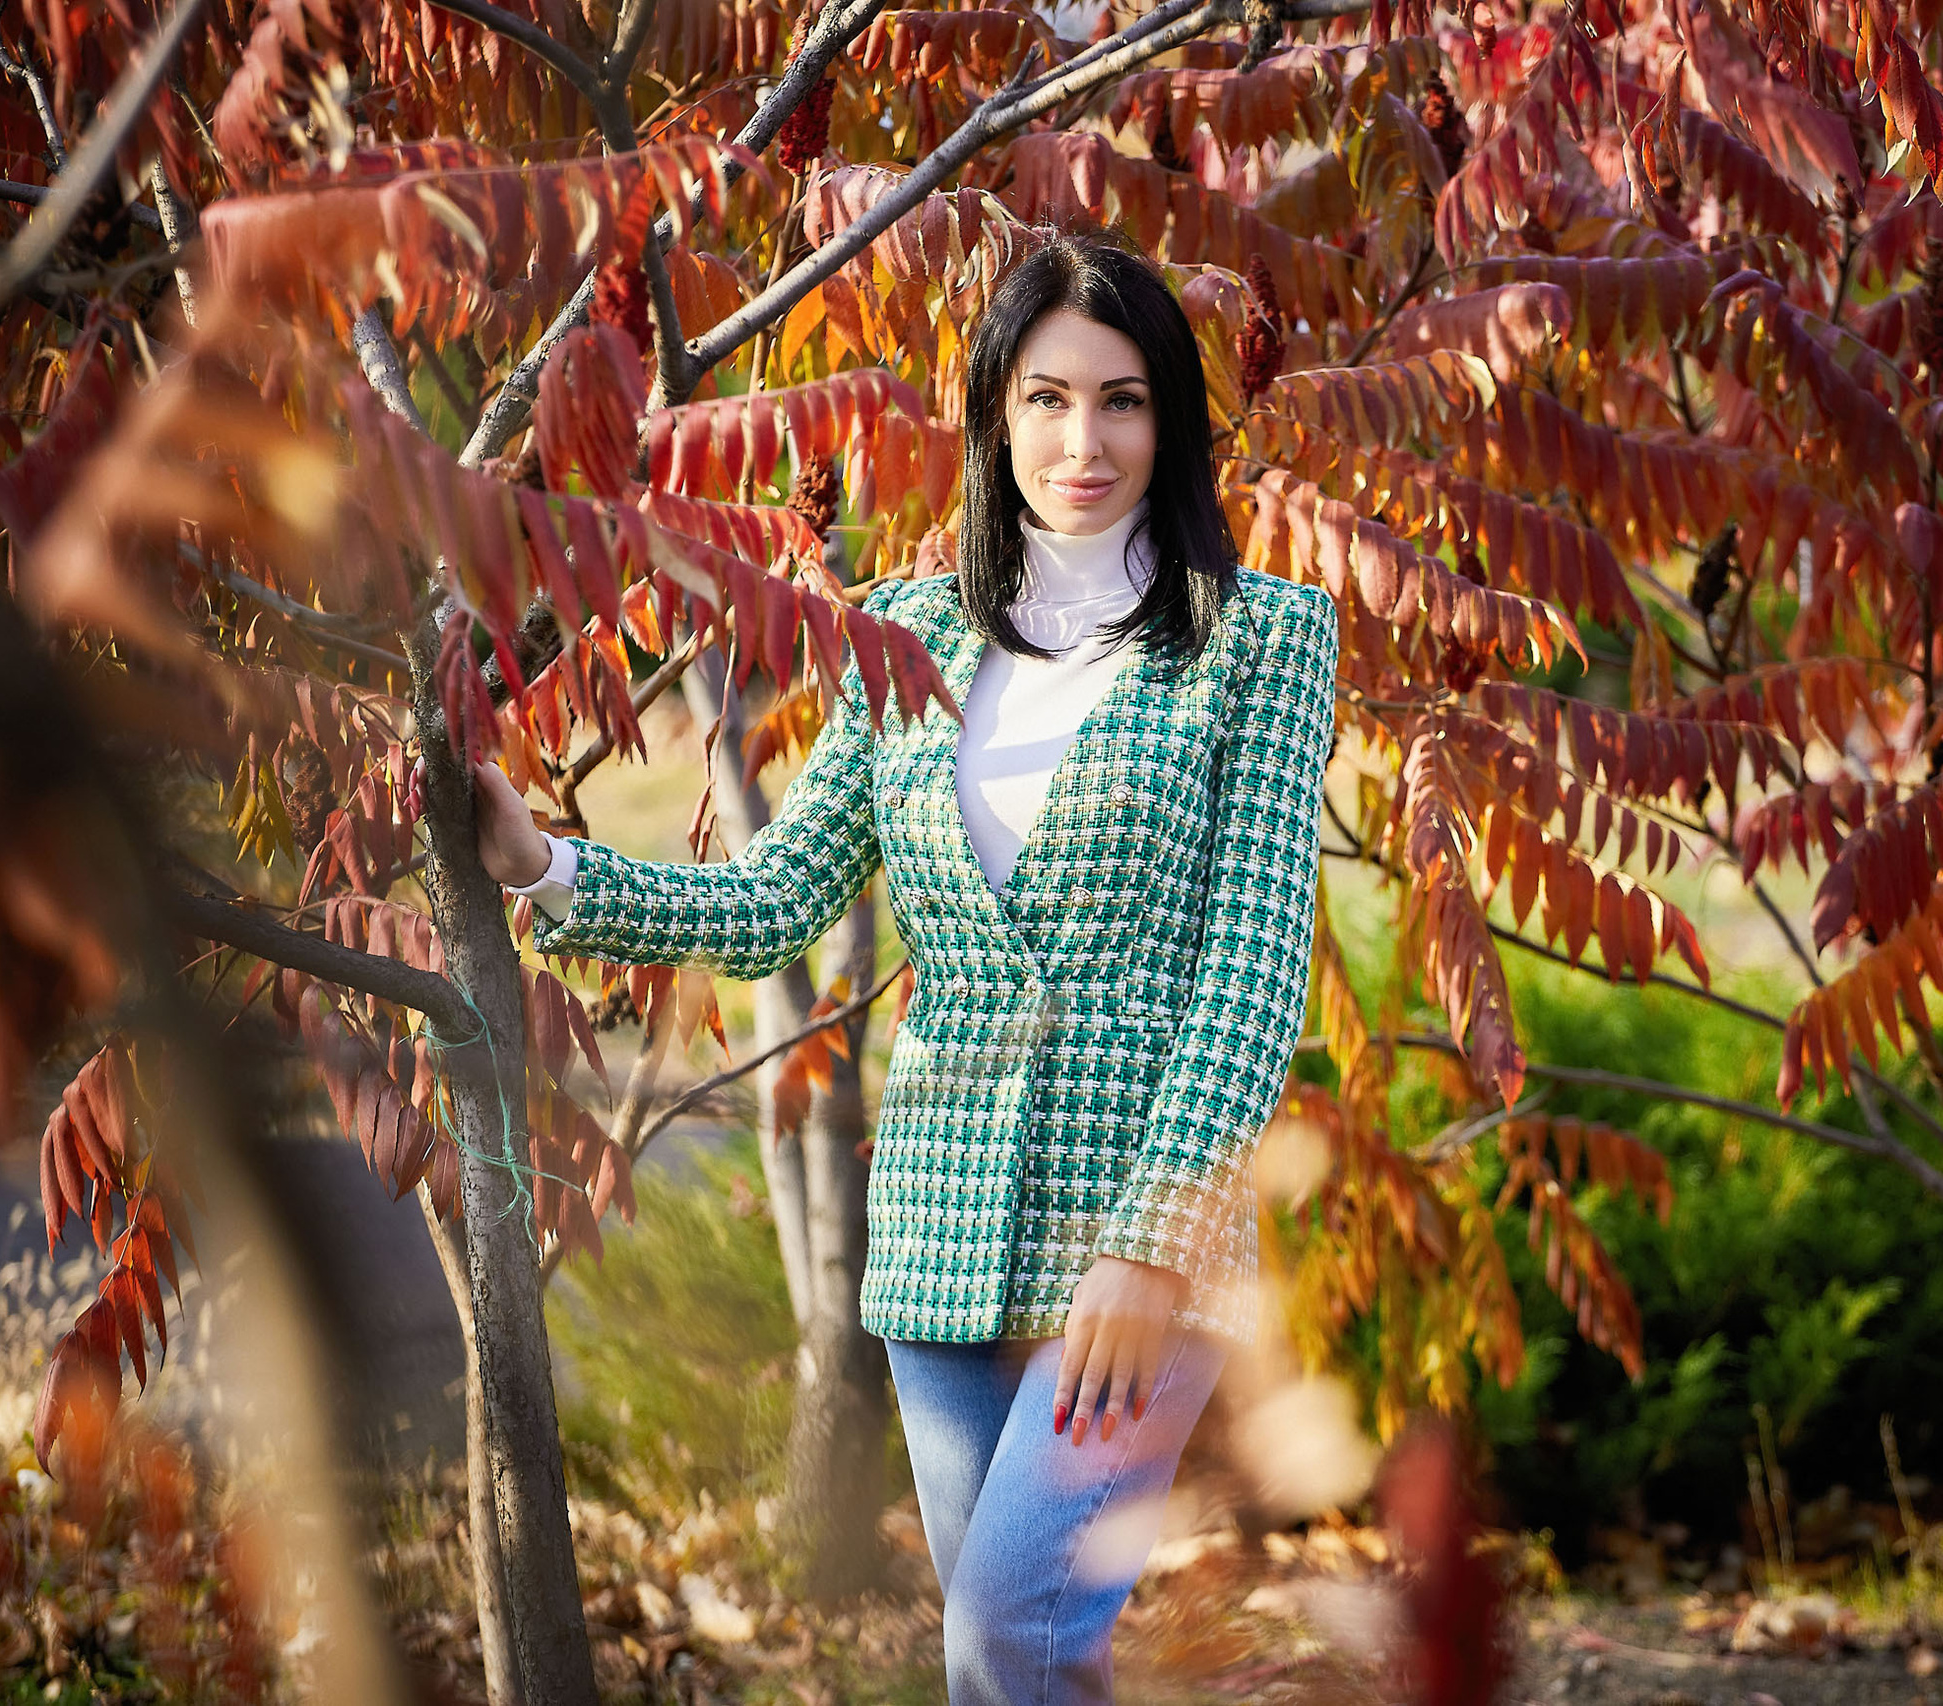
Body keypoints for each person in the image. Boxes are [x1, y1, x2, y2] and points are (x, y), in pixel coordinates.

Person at [468, 233, 1340, 1703]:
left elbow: (1250, 981)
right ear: (995, 412)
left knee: (1008, 1631)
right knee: (1018, 1662)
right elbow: (771, 903)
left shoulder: (1260, 639)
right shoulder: (910, 633)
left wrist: (1151, 1243)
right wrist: (543, 866)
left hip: (1141, 1239)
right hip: (941, 1234)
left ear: (1171, 419)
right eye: (1048, 399)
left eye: (1123, 401)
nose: (1084, 441)